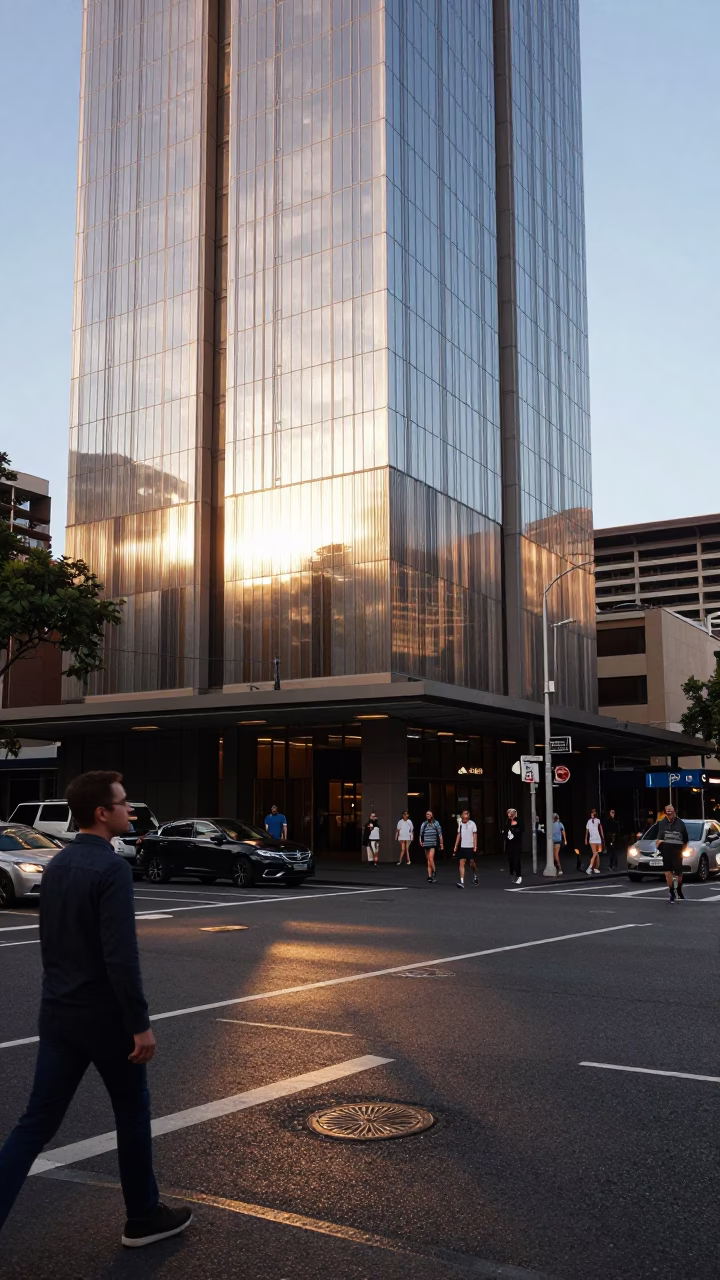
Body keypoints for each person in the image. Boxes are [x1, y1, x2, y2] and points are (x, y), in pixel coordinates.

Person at [0, 771, 192, 1248]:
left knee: (35, 1123)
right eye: (124, 804)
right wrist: (140, 1025)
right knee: (131, 1113)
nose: (131, 811)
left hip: (59, 1011)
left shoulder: (58, 865)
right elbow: (120, 957)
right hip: (105, 1018)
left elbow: (52, 945)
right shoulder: (111, 870)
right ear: (102, 813)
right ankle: (143, 1217)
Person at [656, 803, 688, 903]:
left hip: (677, 849)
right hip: (666, 849)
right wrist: (659, 849)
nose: (669, 816)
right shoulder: (662, 823)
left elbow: (685, 839)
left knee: (678, 873)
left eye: (671, 813)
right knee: (667, 871)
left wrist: (683, 850)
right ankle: (671, 891)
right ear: (665, 813)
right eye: (667, 813)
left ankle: (679, 889)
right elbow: (660, 839)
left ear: (674, 812)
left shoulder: (681, 823)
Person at [453, 809, 478, 887]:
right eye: (465, 813)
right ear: (462, 815)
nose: (467, 815)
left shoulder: (472, 824)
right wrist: (455, 846)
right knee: (461, 863)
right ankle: (462, 881)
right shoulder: (460, 824)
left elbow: (475, 835)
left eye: (468, 814)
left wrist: (475, 846)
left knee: (471, 863)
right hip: (462, 846)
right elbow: (459, 835)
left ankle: (475, 875)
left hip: (470, 846)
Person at [419, 810, 443, 883]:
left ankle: (435, 870)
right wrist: (420, 841)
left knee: (430, 857)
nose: (428, 815)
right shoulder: (424, 824)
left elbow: (440, 834)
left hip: (433, 842)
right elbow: (421, 833)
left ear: (432, 815)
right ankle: (429, 876)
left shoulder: (436, 823)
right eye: (427, 814)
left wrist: (441, 843)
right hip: (426, 843)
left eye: (429, 814)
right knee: (428, 860)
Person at [503, 808, 524, 884]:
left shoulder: (519, 821)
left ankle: (519, 875)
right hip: (509, 844)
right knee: (510, 860)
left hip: (516, 844)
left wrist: (513, 831)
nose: (509, 816)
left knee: (516, 860)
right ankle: (512, 873)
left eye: (510, 814)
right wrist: (506, 834)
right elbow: (505, 830)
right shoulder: (507, 822)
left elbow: (521, 829)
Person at [585, 808, 604, 875]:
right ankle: (590, 867)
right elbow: (587, 831)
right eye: (592, 812)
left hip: (598, 839)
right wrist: (586, 839)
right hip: (592, 839)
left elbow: (600, 829)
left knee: (597, 854)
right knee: (595, 853)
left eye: (594, 813)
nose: (592, 814)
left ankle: (596, 868)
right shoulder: (589, 821)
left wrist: (602, 838)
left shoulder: (598, 820)